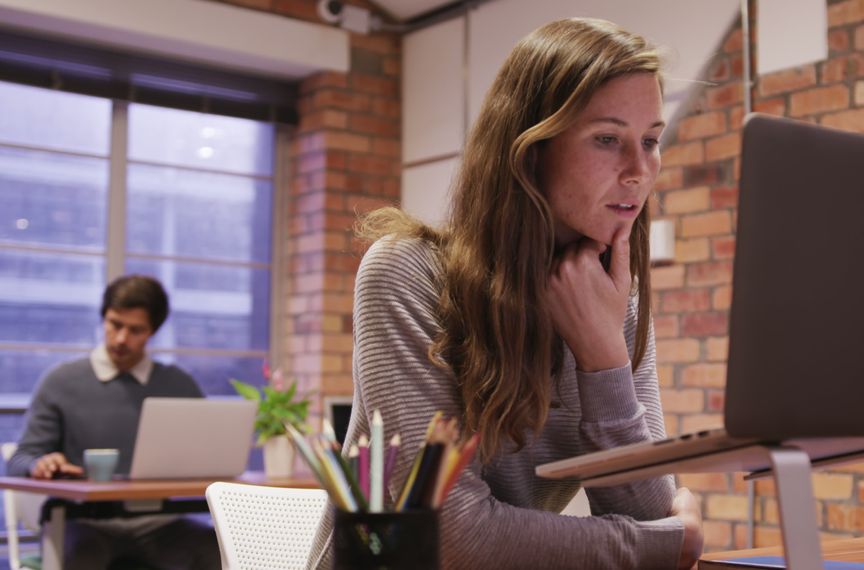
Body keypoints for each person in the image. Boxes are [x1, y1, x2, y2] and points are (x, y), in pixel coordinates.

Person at [307, 17, 704, 569]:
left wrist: (603, 356)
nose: (640, 171)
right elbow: (452, 535)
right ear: (531, 149)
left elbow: (645, 508)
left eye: (652, 141)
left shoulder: (613, 300)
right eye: (608, 139)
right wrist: (664, 541)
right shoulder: (406, 273)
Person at [7, 275, 221, 570]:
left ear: (152, 332)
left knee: (215, 550)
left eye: (135, 330)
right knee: (83, 556)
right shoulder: (61, 382)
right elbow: (19, 459)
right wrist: (39, 465)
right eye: (114, 324)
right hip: (83, 522)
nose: (121, 338)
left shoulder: (178, 384)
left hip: (163, 523)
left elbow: (209, 458)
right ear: (103, 319)